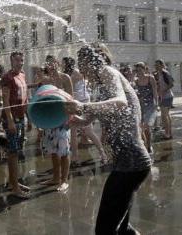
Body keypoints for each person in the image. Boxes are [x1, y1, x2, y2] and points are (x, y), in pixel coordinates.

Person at [65, 44, 151, 235]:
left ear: (93, 60)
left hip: (131, 163)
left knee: (104, 230)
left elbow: (120, 103)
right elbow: (95, 114)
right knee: (121, 228)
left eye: (82, 62)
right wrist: (77, 121)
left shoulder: (106, 71)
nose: (80, 68)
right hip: (127, 163)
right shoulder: (99, 82)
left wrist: (82, 106)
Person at [62, 57, 108, 165]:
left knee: (87, 131)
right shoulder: (70, 73)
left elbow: (66, 86)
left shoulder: (74, 74)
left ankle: (102, 154)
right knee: (74, 132)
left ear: (68, 64)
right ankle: (75, 157)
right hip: (77, 103)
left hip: (82, 104)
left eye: (64, 63)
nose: (62, 65)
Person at [40, 55, 73, 192]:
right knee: (53, 150)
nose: (51, 65)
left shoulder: (65, 78)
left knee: (64, 151)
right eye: (48, 63)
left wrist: (70, 118)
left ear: (57, 63)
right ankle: (55, 178)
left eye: (52, 63)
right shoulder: (46, 80)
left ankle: (64, 180)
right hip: (50, 119)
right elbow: (41, 101)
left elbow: (72, 99)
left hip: (63, 118)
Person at [2, 51, 30, 199]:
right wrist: (10, 120)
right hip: (11, 121)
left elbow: (25, 99)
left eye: (21, 60)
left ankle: (15, 182)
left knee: (17, 151)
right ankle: (14, 187)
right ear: (11, 61)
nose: (20, 63)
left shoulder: (23, 75)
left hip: (21, 119)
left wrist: (29, 118)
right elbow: (5, 102)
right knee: (12, 153)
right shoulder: (7, 78)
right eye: (17, 60)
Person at [134, 62, 158, 154]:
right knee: (140, 127)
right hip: (140, 106)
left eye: (140, 70)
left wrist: (156, 103)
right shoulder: (136, 80)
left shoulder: (150, 78)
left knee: (147, 126)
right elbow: (136, 94)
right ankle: (144, 144)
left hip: (150, 105)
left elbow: (155, 91)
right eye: (137, 70)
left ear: (144, 69)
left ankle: (149, 145)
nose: (138, 72)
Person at [154, 59, 174, 140]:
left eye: (158, 65)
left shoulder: (165, 73)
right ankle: (169, 132)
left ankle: (167, 134)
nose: (156, 66)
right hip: (162, 97)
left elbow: (171, 84)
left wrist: (163, 90)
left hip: (167, 96)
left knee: (164, 116)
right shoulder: (158, 74)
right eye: (155, 65)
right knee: (166, 115)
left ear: (162, 65)